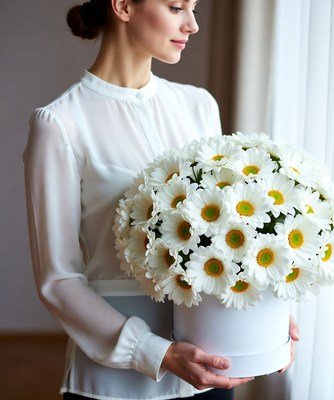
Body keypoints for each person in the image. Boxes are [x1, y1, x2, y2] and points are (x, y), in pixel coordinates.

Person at [23, 1, 299, 399]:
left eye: (194, 8)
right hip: (114, 384)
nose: (192, 24)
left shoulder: (199, 106)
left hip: (213, 370)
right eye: (175, 7)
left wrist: (265, 314)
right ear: (123, 6)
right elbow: (58, 281)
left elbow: (229, 240)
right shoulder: (59, 123)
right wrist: (156, 353)